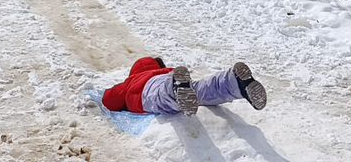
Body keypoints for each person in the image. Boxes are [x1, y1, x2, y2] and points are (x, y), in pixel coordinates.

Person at [102, 57, 267, 116]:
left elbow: (110, 100)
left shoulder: (132, 81)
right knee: (201, 90)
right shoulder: (163, 71)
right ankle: (233, 81)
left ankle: (174, 89)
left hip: (150, 89)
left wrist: (116, 98)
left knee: (161, 97)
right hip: (169, 76)